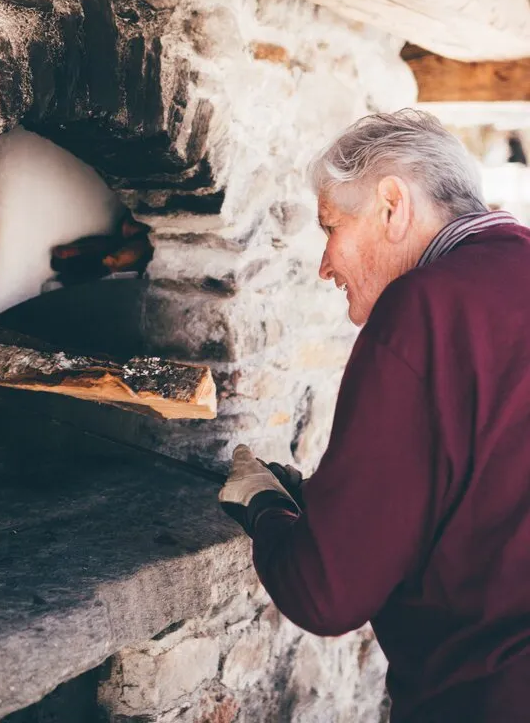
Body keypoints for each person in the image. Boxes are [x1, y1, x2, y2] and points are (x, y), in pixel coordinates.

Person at [219, 110, 530, 722]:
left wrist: (264, 507)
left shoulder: (424, 307)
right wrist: (324, 503)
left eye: (331, 227)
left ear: (392, 205)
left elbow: (327, 592)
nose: (324, 264)